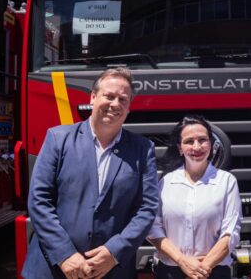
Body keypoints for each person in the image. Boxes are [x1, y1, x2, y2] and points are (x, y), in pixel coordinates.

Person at [22, 67, 159, 279]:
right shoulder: (58, 139)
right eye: (109, 96)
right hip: (53, 269)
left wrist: (114, 252)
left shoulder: (143, 149)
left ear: (129, 107)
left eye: (123, 99)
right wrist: (65, 254)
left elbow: (147, 208)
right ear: (93, 98)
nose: (115, 104)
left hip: (111, 270)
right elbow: (39, 201)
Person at [148, 115, 242, 279]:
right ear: (180, 148)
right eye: (189, 141)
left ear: (211, 144)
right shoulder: (165, 182)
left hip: (213, 272)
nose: (197, 147)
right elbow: (154, 229)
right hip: (171, 271)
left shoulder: (227, 181)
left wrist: (201, 270)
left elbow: (231, 233)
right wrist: (183, 261)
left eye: (202, 140)